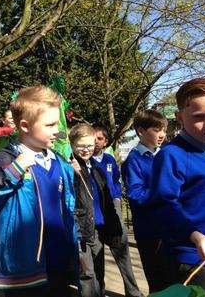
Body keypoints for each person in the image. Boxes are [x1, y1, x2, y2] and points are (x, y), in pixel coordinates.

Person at [0, 85, 79, 297]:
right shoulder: (3, 160)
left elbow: (68, 212)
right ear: (24, 125)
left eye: (57, 123)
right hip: (22, 267)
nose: (58, 130)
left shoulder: (62, 165)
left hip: (58, 263)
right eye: (50, 125)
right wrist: (14, 170)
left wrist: (74, 256)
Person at [148, 78, 205, 295]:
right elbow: (163, 205)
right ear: (179, 118)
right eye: (199, 117)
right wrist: (195, 236)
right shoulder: (173, 155)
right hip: (196, 259)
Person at [69, 124, 123, 297]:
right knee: (87, 273)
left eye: (90, 145)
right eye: (81, 146)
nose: (86, 150)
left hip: (98, 230)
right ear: (72, 144)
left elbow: (106, 201)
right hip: (81, 230)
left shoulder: (97, 169)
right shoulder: (69, 167)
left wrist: (114, 228)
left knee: (99, 272)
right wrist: (72, 173)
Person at [121, 110, 170, 293]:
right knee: (158, 280)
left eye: (164, 129)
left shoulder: (165, 154)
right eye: (157, 129)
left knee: (173, 278)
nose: (162, 134)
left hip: (170, 228)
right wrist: (162, 194)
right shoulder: (134, 160)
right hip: (150, 231)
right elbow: (135, 193)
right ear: (141, 131)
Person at [92, 126, 143, 297]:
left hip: (112, 209)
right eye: (93, 137)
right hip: (94, 212)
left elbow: (115, 179)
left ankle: (133, 292)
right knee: (96, 258)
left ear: (106, 142)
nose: (95, 141)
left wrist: (117, 197)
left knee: (122, 252)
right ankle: (98, 291)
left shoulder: (109, 159)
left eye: (100, 138)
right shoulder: (83, 160)